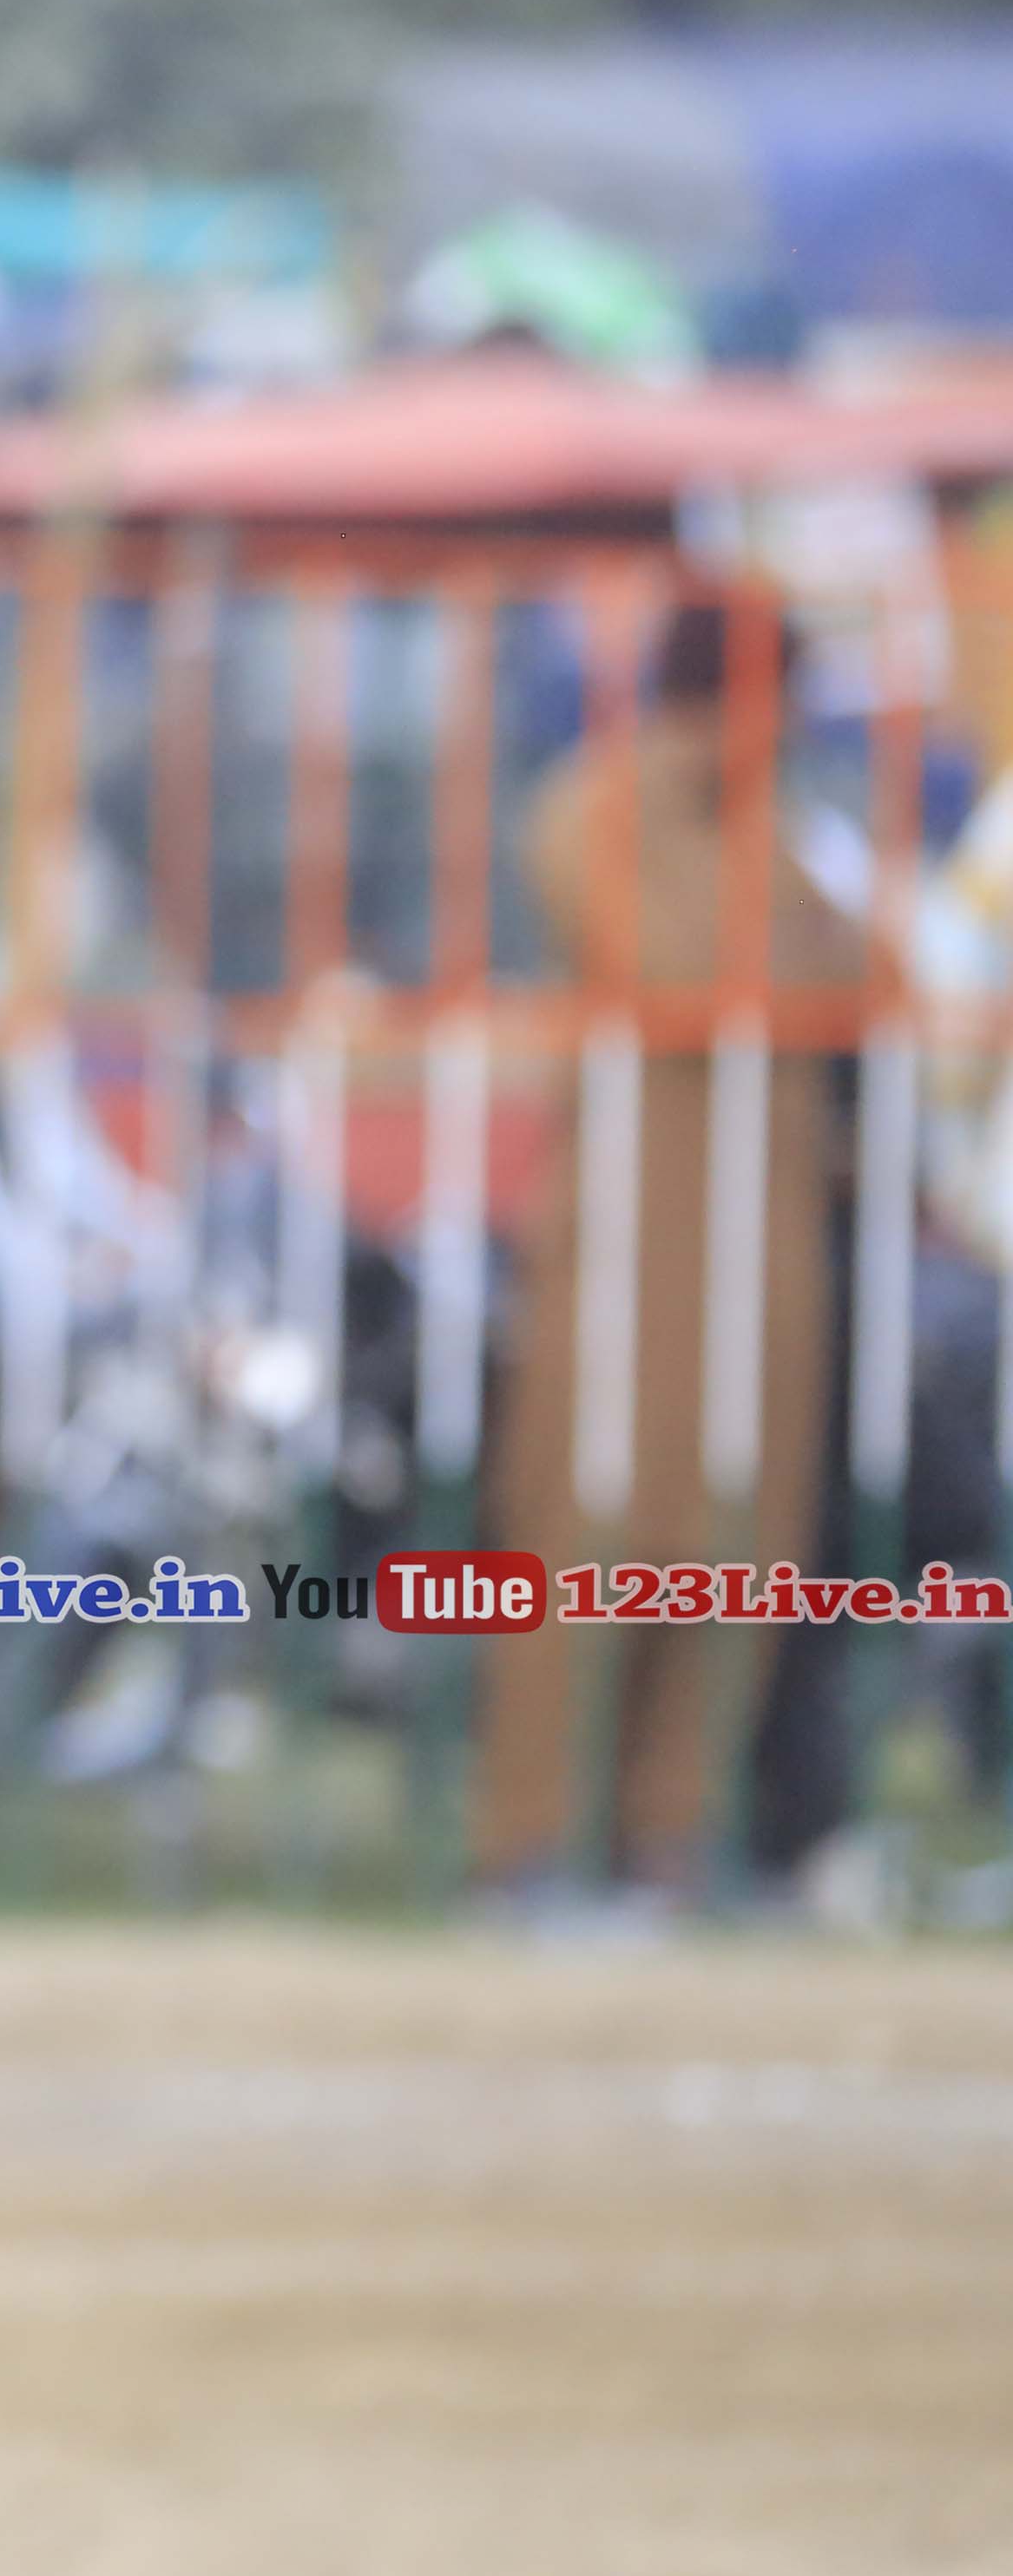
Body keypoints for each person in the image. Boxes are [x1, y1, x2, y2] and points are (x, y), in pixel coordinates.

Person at [481, 587, 870, 1899]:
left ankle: (674, 1836)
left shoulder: (779, 831)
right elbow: (679, 973)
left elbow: (865, 984)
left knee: (743, 1534)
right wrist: (776, 923)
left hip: (766, 1231)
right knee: (587, 1531)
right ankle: (529, 1840)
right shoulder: (591, 808)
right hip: (627, 1237)